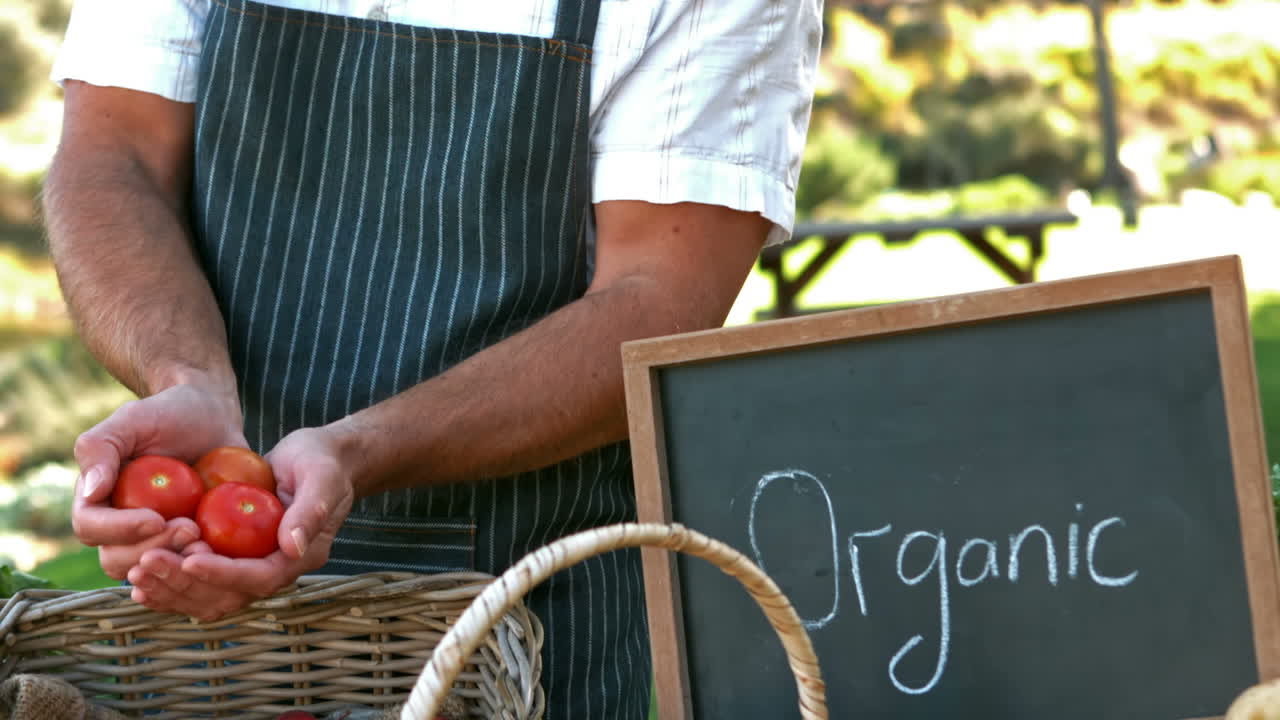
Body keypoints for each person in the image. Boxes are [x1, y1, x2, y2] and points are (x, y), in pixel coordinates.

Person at [43, 1, 821, 717]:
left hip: (522, 629)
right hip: (210, 640)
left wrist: (355, 453)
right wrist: (190, 381)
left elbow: (660, 300)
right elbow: (116, 151)